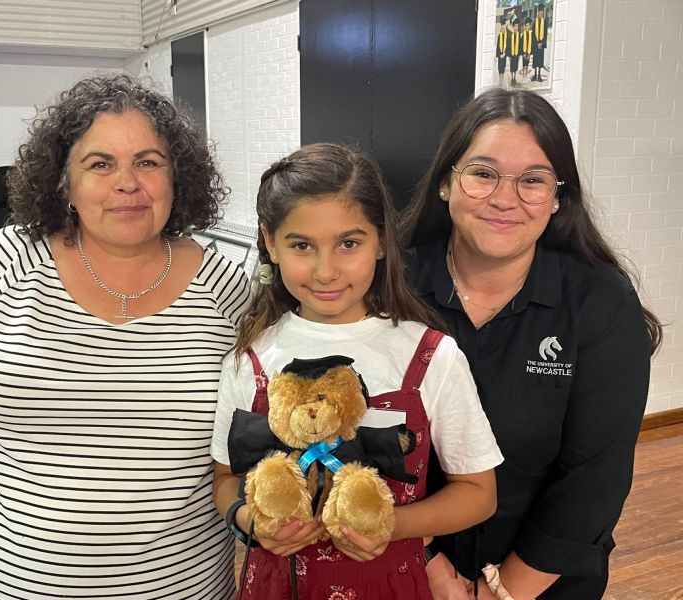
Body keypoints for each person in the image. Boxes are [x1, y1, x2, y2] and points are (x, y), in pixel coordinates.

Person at [0, 72, 251, 599]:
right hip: (1, 582)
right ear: (64, 181)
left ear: (179, 178)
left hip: (182, 585)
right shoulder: (1, 264)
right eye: (100, 163)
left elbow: (253, 440)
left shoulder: (226, 289)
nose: (127, 183)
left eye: (148, 162)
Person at [210, 143, 504, 599]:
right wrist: (249, 521)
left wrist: (394, 524)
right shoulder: (250, 357)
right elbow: (227, 479)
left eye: (349, 243)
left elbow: (479, 492)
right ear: (270, 243)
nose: (326, 271)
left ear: (382, 240)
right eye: (302, 245)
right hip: (274, 586)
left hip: (390, 584)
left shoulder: (430, 355)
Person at [401, 88, 662, 599]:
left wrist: (499, 594)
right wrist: (434, 570)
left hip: (545, 581)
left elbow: (594, 480)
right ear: (444, 184)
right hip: (404, 565)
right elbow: (365, 449)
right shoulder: (394, 288)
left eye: (533, 181)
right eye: (482, 173)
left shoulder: (599, 303)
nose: (505, 198)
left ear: (558, 198)